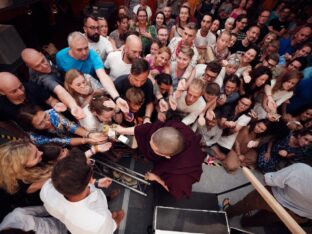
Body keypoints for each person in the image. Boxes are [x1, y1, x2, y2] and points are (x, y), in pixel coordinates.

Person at [40, 149, 125, 234]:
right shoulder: (99, 221)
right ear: (90, 176)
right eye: (90, 163)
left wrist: (94, 183)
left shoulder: (46, 190)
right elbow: (111, 228)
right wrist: (119, 217)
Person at [114, 120, 205, 199]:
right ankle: (122, 138)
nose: (149, 143)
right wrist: (122, 130)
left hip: (176, 167)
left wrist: (156, 178)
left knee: (138, 146)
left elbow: (174, 191)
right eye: (152, 137)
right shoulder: (177, 127)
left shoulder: (180, 178)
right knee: (139, 141)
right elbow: (147, 129)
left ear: (166, 156)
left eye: (153, 148)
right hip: (154, 147)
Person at [55, 32, 129, 113]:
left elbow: (103, 76)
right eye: (79, 49)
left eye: (86, 48)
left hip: (92, 86)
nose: (84, 52)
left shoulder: (92, 54)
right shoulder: (60, 56)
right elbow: (62, 75)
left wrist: (116, 98)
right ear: (70, 48)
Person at [224, 163, 312, 226]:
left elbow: (269, 180)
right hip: (298, 216)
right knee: (265, 219)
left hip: (274, 197)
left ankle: (228, 213)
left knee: (248, 203)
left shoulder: (302, 169)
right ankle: (246, 222)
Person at [21, 48, 84, 120]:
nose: (44, 66)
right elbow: (60, 91)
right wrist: (73, 106)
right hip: (63, 102)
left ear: (41, 54)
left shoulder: (46, 57)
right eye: (38, 66)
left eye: (43, 60)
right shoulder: (44, 79)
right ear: (29, 66)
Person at [0, 72, 65, 121]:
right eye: (14, 91)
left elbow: (50, 100)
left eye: (21, 86)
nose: (21, 92)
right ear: (2, 92)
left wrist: (56, 104)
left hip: (53, 119)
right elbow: (5, 123)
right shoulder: (2, 106)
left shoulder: (31, 87)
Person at [114, 58, 154, 124]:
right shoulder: (119, 83)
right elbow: (115, 105)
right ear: (131, 73)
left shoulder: (148, 84)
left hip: (141, 119)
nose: (139, 84)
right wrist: (123, 113)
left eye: (143, 80)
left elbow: (149, 102)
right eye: (136, 79)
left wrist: (147, 118)